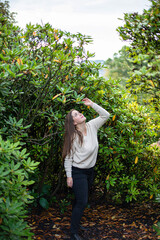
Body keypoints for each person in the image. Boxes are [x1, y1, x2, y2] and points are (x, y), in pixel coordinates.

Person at [62, 98, 110, 240]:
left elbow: (106, 115)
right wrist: (69, 176)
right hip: (78, 172)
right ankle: (73, 233)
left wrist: (92, 104)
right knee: (82, 201)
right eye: (75, 115)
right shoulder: (73, 137)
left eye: (78, 112)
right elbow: (68, 158)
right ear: (74, 123)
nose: (80, 114)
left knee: (79, 200)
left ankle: (76, 224)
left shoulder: (92, 126)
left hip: (90, 171)